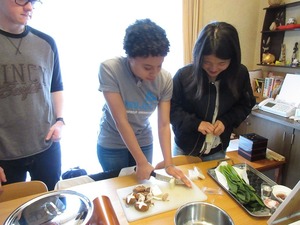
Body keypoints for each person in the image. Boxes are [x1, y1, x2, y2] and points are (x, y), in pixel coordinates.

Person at [97, 19, 191, 187]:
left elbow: (163, 124)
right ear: (130, 57)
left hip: (143, 139)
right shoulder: (110, 69)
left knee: (141, 188)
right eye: (147, 67)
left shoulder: (165, 79)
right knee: (118, 190)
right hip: (112, 142)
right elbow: (121, 120)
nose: (154, 73)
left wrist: (168, 163)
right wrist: (141, 162)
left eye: (159, 65)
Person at [0, 0, 64, 190]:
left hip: (46, 146)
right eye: (21, 0)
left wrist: (60, 120)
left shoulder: (46, 42)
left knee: (51, 206)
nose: (29, 7)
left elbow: (56, 86)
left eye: (34, 1)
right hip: (5, 155)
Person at [170, 21, 256, 161]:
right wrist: (196, 124)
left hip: (217, 149)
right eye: (207, 62)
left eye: (222, 63)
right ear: (198, 56)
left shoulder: (240, 74)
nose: (214, 69)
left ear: (232, 59)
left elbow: (246, 104)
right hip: (186, 149)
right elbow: (171, 110)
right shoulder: (184, 76)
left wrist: (225, 121)